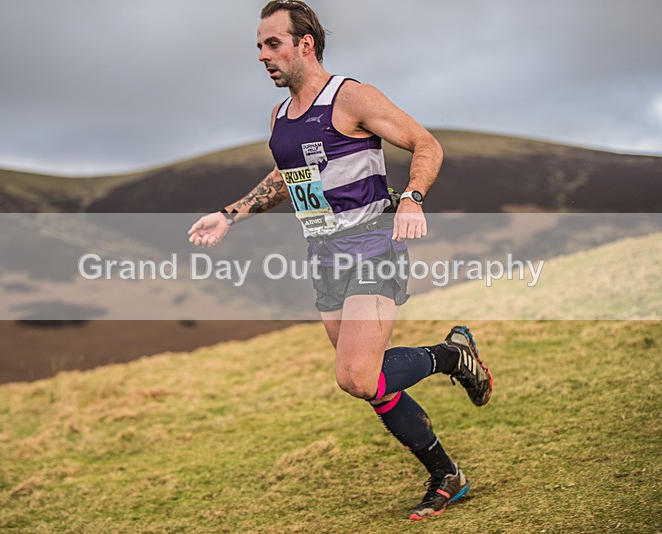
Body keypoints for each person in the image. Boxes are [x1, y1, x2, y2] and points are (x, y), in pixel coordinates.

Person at [188, 0, 493, 521]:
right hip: (323, 254)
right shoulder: (280, 117)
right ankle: (447, 474)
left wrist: (413, 198)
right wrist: (230, 214)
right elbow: (290, 178)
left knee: (354, 374)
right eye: (260, 46)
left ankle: (449, 355)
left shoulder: (350, 97)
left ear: (305, 44)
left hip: (373, 243)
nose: (263, 55)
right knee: (372, 384)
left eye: (272, 44)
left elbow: (425, 143)